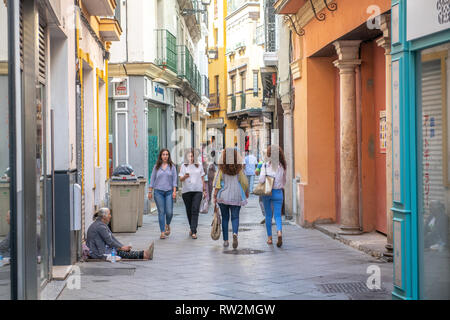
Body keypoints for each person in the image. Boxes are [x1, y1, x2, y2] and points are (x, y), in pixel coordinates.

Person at [213, 148, 249, 249]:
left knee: (225, 218)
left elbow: (217, 183)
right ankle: (235, 234)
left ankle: (225, 240)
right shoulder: (239, 169)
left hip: (223, 196)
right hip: (236, 195)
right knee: (235, 217)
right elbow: (244, 182)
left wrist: (214, 196)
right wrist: (246, 191)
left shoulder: (221, 169)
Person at [87, 208, 154, 260]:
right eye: (109, 214)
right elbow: (110, 242)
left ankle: (144, 253)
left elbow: (112, 238)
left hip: (101, 248)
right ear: (104, 216)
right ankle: (145, 255)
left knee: (121, 250)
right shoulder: (100, 226)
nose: (110, 216)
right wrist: (121, 248)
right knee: (119, 252)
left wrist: (122, 246)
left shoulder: (101, 224)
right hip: (98, 252)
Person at [259, 145, 287, 248]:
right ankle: (279, 232)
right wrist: (279, 186)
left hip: (267, 192)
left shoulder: (265, 166)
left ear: (269, 155)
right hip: (278, 192)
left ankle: (270, 238)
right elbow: (284, 181)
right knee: (278, 215)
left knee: (268, 216)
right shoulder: (282, 166)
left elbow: (261, 180)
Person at [148, 149, 178, 239]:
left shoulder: (172, 167)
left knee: (169, 212)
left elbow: (174, 180)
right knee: (161, 212)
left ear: (168, 156)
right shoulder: (156, 167)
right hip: (158, 192)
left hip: (169, 192)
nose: (165, 156)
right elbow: (152, 179)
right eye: (163, 154)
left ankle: (167, 224)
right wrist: (149, 191)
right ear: (161, 156)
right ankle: (162, 232)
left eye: (167, 154)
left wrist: (174, 191)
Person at [179, 149, 207, 239]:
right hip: (186, 191)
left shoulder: (199, 165)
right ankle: (192, 227)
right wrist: (185, 176)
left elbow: (202, 178)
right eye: (189, 156)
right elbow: (180, 179)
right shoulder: (183, 166)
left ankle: (194, 230)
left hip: (197, 190)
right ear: (186, 157)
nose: (191, 158)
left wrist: (204, 190)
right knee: (189, 210)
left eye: (192, 156)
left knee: (195, 209)